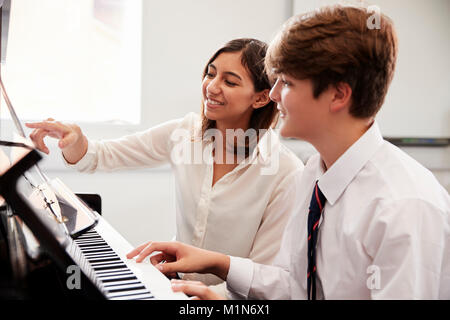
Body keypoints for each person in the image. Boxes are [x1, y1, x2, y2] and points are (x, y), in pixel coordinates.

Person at [127, 5, 450, 300]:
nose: (275, 95)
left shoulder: (404, 206)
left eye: (288, 83)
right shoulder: (315, 173)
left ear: (338, 95)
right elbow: (295, 285)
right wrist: (218, 267)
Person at [26, 38, 304, 297]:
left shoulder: (285, 172)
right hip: (171, 284)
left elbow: (265, 275)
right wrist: (75, 141)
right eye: (210, 73)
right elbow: (101, 155)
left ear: (261, 98)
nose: (212, 86)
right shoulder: (184, 133)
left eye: (230, 82)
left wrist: (206, 294)